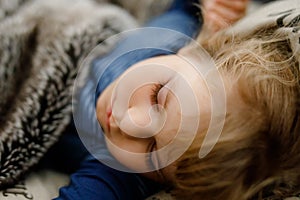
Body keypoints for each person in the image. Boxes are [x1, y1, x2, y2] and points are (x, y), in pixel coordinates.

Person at [49, 0, 277, 199]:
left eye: (151, 152)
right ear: (194, 49)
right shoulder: (178, 28)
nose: (125, 121)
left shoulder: (119, 169)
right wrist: (217, 8)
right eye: (157, 95)